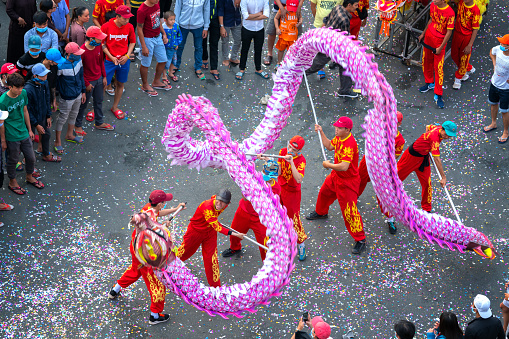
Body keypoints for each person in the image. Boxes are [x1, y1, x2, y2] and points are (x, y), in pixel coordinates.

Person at [108, 190, 186, 325]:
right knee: (158, 286)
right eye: (165, 203)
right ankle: (154, 316)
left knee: (135, 270)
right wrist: (164, 228)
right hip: (146, 254)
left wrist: (175, 209)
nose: (165, 205)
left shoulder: (147, 208)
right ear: (160, 204)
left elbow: (157, 214)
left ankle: (115, 290)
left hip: (135, 248)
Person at [306, 117, 367, 255]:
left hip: (348, 181)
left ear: (347, 130)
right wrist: (321, 132)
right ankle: (321, 212)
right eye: (336, 127)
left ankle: (361, 239)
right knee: (324, 193)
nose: (336, 129)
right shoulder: (339, 137)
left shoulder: (350, 143)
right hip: (336, 176)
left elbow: (344, 167)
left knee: (350, 212)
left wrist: (328, 165)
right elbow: (329, 146)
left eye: (339, 128)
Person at [175, 189, 245, 287]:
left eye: (223, 202)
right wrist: (236, 234)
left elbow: (214, 224)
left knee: (212, 260)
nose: (219, 204)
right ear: (216, 197)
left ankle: (216, 288)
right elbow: (217, 227)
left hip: (210, 232)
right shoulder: (207, 206)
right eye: (219, 200)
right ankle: (168, 266)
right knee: (185, 252)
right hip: (196, 232)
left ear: (228, 203)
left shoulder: (223, 204)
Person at [221, 161, 281, 261]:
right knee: (234, 232)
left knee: (264, 244)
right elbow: (245, 198)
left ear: (272, 176)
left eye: (265, 173)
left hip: (260, 219)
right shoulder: (255, 178)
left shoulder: (275, 188)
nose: (262, 174)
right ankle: (234, 248)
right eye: (263, 171)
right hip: (243, 211)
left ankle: (267, 265)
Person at [358, 111, 405, 234]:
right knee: (359, 180)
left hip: (382, 168)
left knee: (382, 195)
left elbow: (394, 157)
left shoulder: (399, 140)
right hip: (367, 160)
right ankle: (354, 196)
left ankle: (390, 219)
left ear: (399, 123)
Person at [396, 121, 456, 212]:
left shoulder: (438, 128)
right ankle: (386, 195)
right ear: (442, 129)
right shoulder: (434, 138)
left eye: (449, 136)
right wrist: (443, 177)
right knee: (395, 178)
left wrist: (426, 144)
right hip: (410, 157)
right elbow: (437, 160)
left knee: (427, 184)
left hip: (423, 159)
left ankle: (427, 210)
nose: (447, 137)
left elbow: (428, 126)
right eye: (446, 134)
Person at [0, 73, 44, 195]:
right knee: (13, 160)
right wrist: (3, 141)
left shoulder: (23, 93)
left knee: (31, 157)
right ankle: (12, 182)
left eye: (21, 87)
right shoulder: (3, 101)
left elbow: (25, 111)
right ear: (10, 87)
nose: (20, 90)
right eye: (17, 87)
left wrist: (30, 129)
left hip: (23, 131)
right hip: (11, 135)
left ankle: (29, 176)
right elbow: (1, 123)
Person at [305, 0, 359, 98]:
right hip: (331, 45)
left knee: (344, 65)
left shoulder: (337, 7)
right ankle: (299, 73)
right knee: (317, 64)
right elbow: (345, 37)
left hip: (328, 41)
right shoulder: (345, 19)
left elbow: (326, 18)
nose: (357, 7)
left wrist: (325, 25)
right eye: (355, 5)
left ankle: (344, 90)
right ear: (349, 5)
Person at [75, 26, 114, 135]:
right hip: (89, 82)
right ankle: (77, 125)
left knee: (99, 101)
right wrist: (86, 84)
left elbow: (101, 62)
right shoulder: (82, 51)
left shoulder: (98, 47)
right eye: (99, 38)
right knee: (83, 105)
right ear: (91, 39)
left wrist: (104, 76)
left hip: (99, 79)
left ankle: (99, 122)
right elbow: (80, 71)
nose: (101, 40)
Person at [418, 0, 455, 109]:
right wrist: (423, 34)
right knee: (426, 61)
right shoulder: (433, 5)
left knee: (438, 68)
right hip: (429, 37)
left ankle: (438, 94)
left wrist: (441, 47)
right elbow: (431, 20)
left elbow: (449, 32)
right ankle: (429, 82)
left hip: (439, 41)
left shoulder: (450, 13)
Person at [101, 6, 136, 120]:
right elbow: (102, 43)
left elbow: (132, 42)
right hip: (109, 61)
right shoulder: (106, 26)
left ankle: (115, 107)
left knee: (120, 84)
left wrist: (127, 56)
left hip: (124, 61)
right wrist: (111, 57)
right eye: (125, 18)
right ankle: (97, 108)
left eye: (128, 18)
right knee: (103, 85)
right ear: (117, 17)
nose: (127, 21)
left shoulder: (129, 27)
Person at [276, 136, 308, 261]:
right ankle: (285, 239)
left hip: (293, 193)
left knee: (294, 218)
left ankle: (301, 243)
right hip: (281, 188)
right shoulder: (282, 152)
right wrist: (268, 161)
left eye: (293, 149)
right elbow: (278, 173)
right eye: (289, 146)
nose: (289, 149)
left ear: (298, 151)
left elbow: (299, 179)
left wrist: (291, 162)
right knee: (279, 214)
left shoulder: (301, 160)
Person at [54, 42, 86, 154]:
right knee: (63, 118)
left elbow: (81, 76)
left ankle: (70, 134)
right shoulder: (60, 66)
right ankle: (57, 141)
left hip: (77, 94)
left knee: (74, 114)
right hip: (66, 97)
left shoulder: (79, 60)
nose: (79, 55)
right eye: (76, 53)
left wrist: (83, 91)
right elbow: (55, 84)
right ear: (70, 54)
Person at [25, 63, 60, 163]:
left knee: (46, 134)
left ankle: (46, 154)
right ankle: (28, 160)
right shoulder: (28, 90)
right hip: (31, 119)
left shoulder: (44, 83)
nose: (45, 77)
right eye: (43, 75)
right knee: (29, 140)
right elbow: (27, 110)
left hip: (42, 115)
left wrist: (48, 116)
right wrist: (36, 124)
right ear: (35, 76)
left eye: (46, 74)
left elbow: (47, 98)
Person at [137, 0, 172, 96]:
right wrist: (143, 46)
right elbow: (139, 28)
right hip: (147, 39)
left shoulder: (157, 4)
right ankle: (145, 85)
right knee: (146, 63)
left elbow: (158, 21)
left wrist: (164, 34)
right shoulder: (142, 10)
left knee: (163, 60)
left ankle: (156, 82)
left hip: (157, 37)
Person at [174, 0, 210, 80]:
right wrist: (175, 25)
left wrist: (206, 27)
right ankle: (175, 65)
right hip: (183, 24)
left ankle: (198, 67)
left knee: (199, 48)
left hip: (198, 25)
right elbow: (177, 7)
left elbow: (206, 10)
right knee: (179, 46)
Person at [483, 35, 509, 144]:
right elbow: (491, 52)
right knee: (493, 104)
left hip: (506, 89)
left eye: (504, 44)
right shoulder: (498, 49)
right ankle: (493, 123)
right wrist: (494, 62)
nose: (501, 45)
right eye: (501, 43)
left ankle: (506, 132)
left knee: (504, 111)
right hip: (494, 84)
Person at [235, 0, 270, 80]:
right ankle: (242, 69)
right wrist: (259, 14)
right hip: (247, 28)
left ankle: (258, 69)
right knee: (244, 49)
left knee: (258, 50)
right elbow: (245, 16)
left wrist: (251, 17)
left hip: (260, 29)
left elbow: (266, 15)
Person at [264, 0, 304, 67]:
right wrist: (281, 8)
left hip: (295, 7)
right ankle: (270, 54)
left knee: (295, 33)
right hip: (279, 7)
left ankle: (291, 60)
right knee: (272, 31)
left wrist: (299, 6)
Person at [451, 0, 480, 90]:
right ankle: (468, 67)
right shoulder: (461, 2)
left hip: (466, 37)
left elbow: (475, 29)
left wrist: (469, 44)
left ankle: (458, 78)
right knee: (454, 55)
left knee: (463, 58)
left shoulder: (475, 10)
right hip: (457, 33)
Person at [308, 0, 341, 78]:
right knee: (316, 48)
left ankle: (326, 64)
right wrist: (317, 18)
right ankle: (320, 69)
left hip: (333, 26)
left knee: (327, 48)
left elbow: (341, 8)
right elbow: (313, 5)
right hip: (318, 25)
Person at [274, 0, 301, 67]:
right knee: (281, 50)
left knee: (292, 52)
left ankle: (290, 64)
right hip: (283, 35)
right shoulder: (282, 10)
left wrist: (300, 22)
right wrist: (277, 28)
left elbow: (300, 18)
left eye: (293, 8)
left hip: (293, 37)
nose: (291, 10)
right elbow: (276, 18)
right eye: (290, 8)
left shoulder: (297, 11)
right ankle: (279, 63)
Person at [201, 0, 221, 80]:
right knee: (203, 40)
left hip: (216, 19)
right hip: (202, 19)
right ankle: (204, 58)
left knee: (214, 43)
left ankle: (214, 67)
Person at [218, 0, 242, 67]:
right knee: (225, 41)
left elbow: (243, 8)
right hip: (226, 22)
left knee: (238, 40)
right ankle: (225, 58)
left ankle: (233, 57)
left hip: (237, 21)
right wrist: (221, 27)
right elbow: (220, 12)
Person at [42, 48, 66, 113]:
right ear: (50, 61)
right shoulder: (39, 68)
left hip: (48, 94)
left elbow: (53, 86)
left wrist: (54, 101)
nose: (58, 63)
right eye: (56, 61)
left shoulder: (55, 68)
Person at [161, 11, 182, 83]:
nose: (173, 21)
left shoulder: (176, 26)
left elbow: (179, 36)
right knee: (166, 62)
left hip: (174, 48)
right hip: (166, 49)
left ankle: (170, 72)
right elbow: (160, 38)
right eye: (171, 19)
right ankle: (164, 75)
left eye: (174, 19)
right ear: (165, 20)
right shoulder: (163, 28)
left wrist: (177, 44)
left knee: (174, 61)